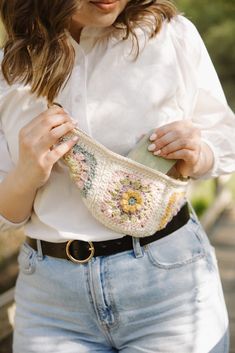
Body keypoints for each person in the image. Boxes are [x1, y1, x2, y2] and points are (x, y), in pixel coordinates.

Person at [0, 0, 234, 352]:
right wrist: (26, 173)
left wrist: (199, 153)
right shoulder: (8, 70)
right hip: (51, 309)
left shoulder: (171, 37)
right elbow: (7, 214)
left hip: (170, 294)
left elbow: (225, 137)